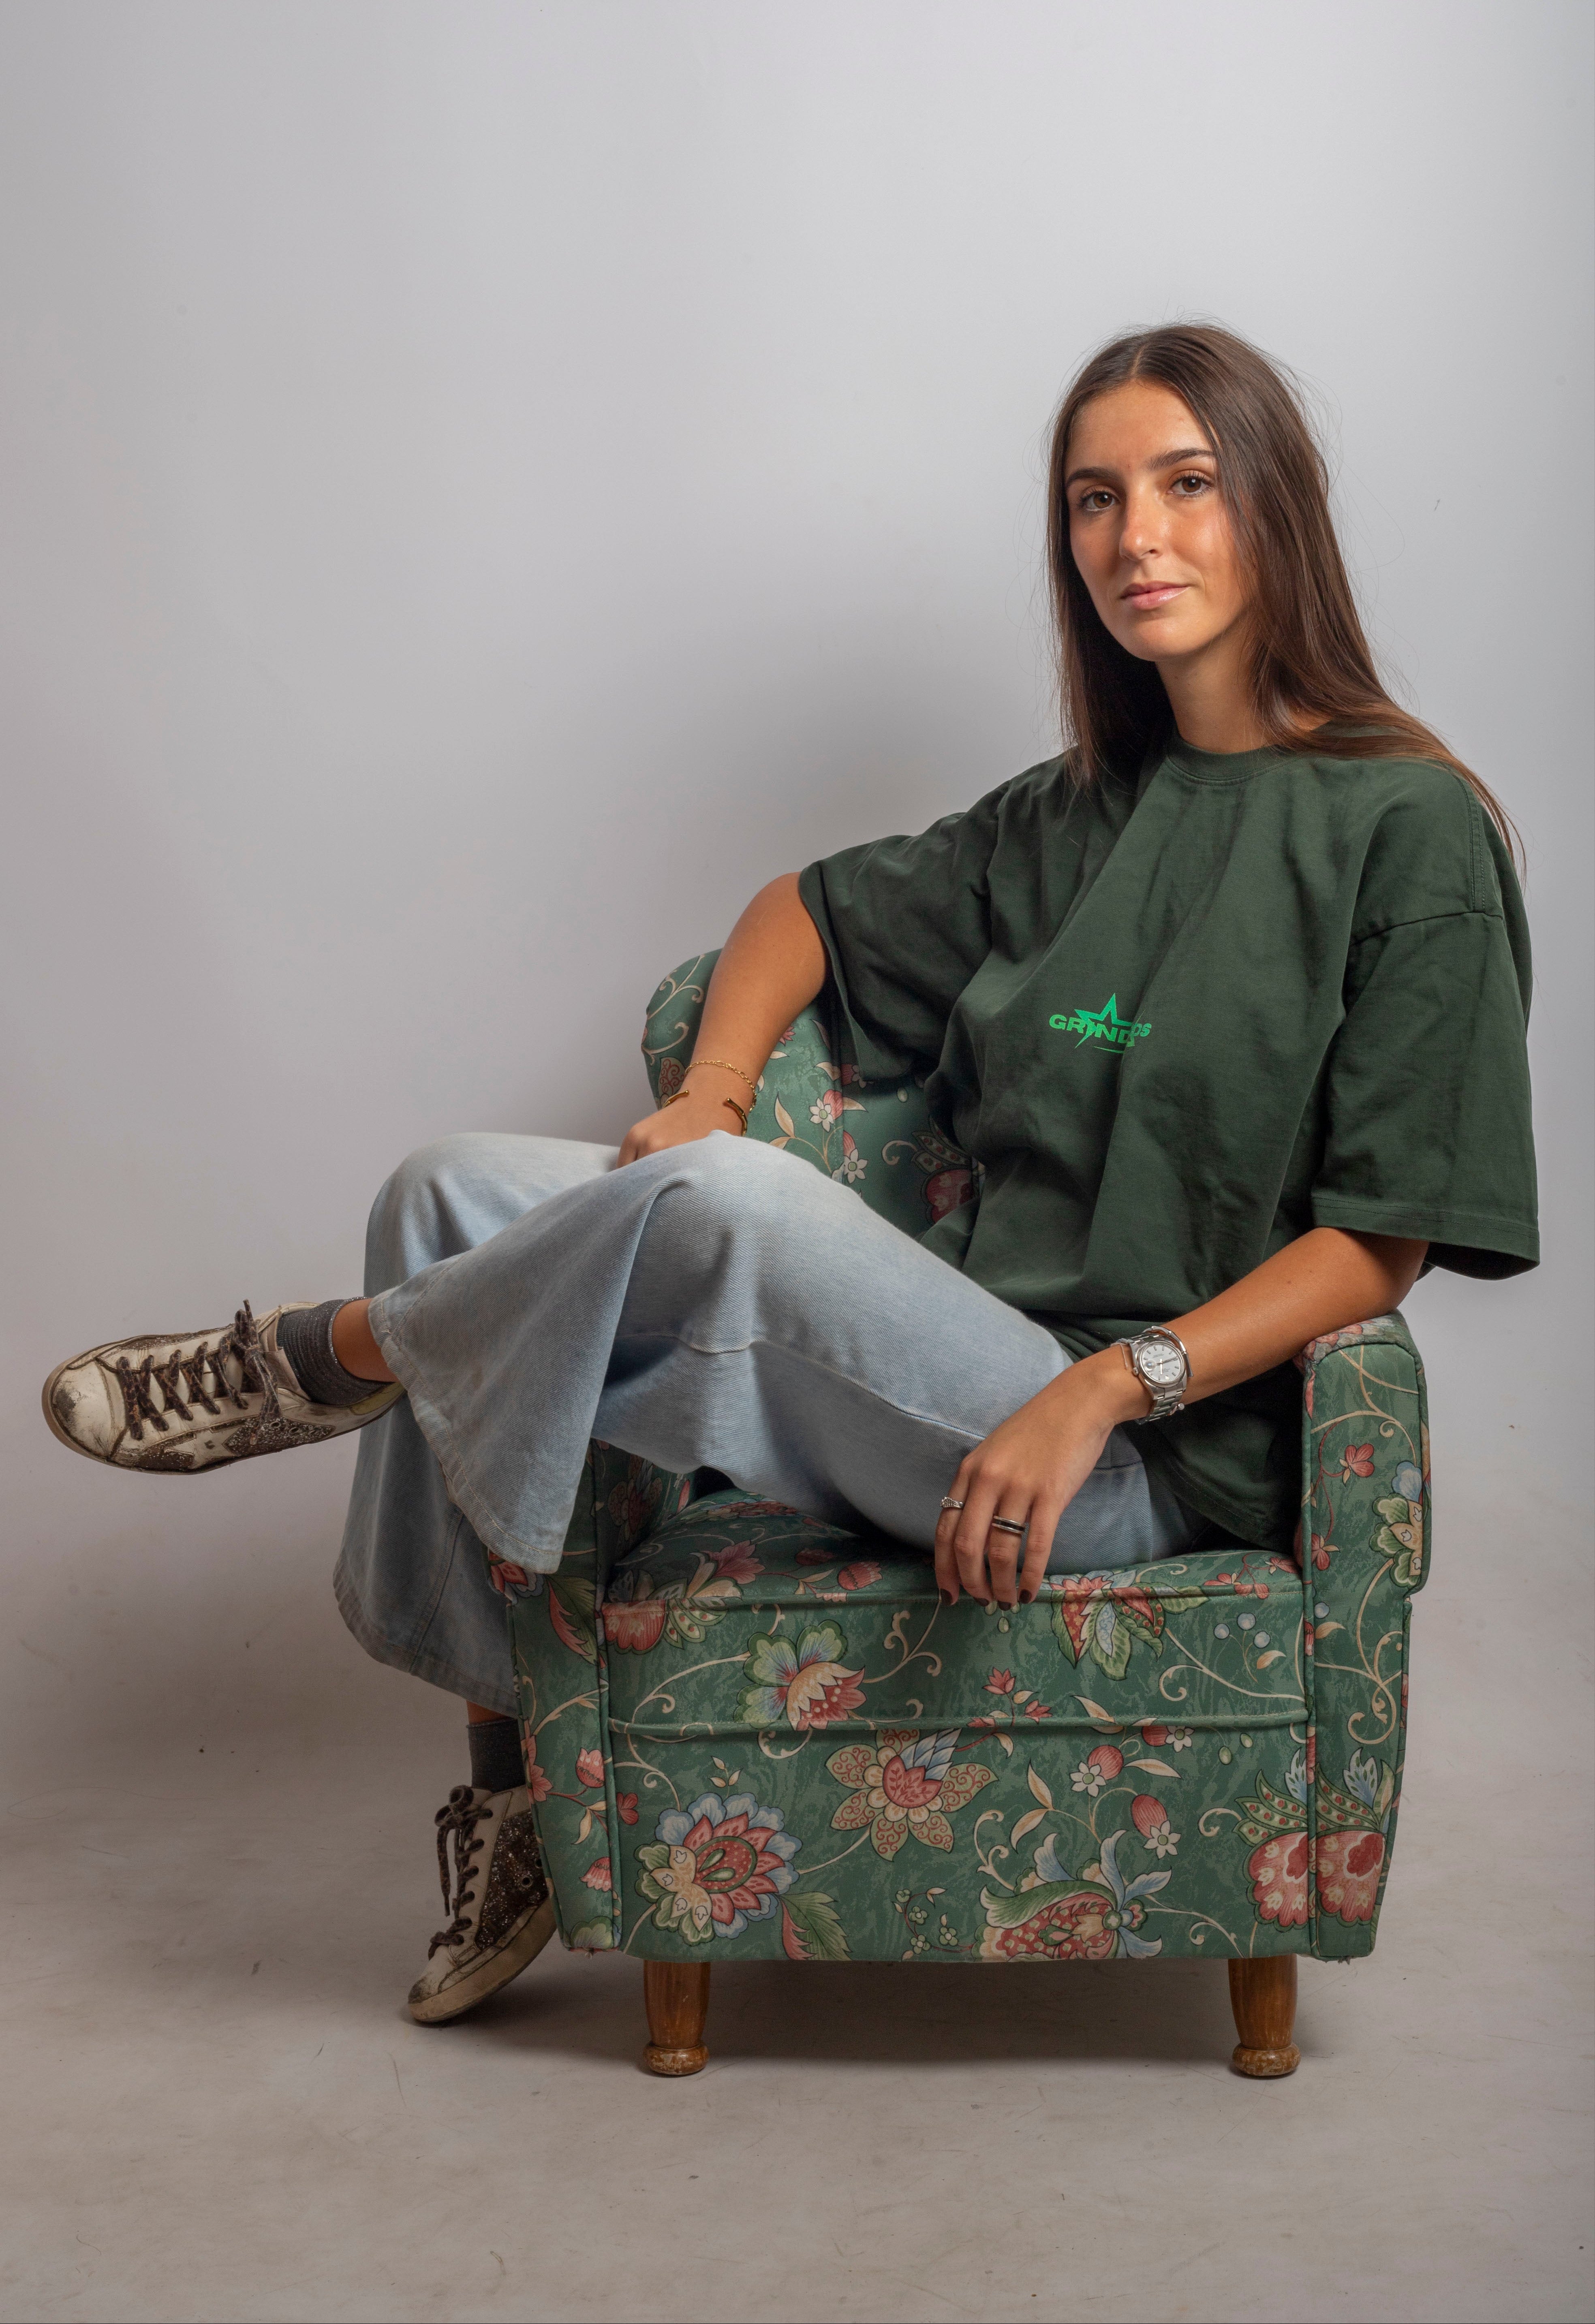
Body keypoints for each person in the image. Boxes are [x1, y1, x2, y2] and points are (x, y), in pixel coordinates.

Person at [41, 323, 1537, 2027]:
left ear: (1277, 500)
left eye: (1188, 484)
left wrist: (1109, 1386)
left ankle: (327, 1359)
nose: (1138, 537)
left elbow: (1383, 1243)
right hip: (949, 1377)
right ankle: (517, 1797)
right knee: (441, 1191)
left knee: (726, 1210)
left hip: (1136, 1457)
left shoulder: (1410, 828)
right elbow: (800, 913)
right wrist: (715, 1092)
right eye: (1095, 498)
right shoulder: (1071, 816)